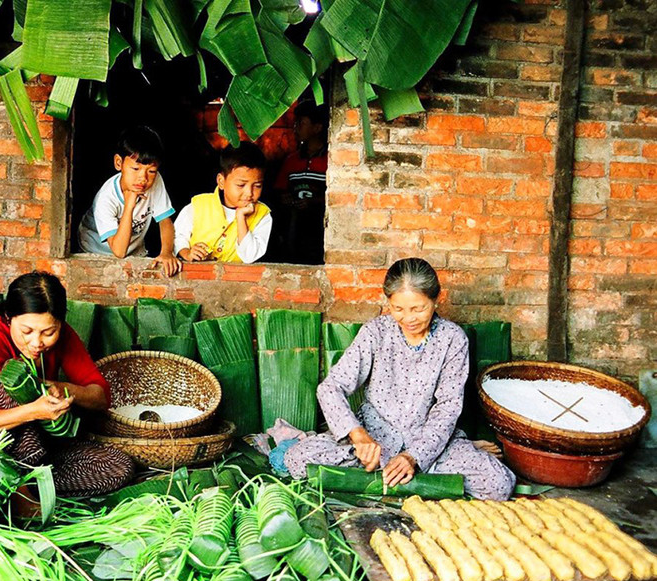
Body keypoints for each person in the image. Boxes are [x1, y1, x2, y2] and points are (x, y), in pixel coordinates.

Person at [284, 258, 516, 501]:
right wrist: (359, 436)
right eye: (398, 309)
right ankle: (418, 477)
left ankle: (432, 461)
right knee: (297, 460)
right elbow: (331, 387)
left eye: (419, 308)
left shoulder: (452, 339)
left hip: (428, 442)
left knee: (498, 484)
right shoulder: (376, 332)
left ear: (436, 300)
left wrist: (413, 456)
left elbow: (447, 408)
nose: (409, 318)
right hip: (376, 439)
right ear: (389, 303)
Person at [0, 271, 134, 497]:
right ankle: (16, 490)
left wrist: (59, 388)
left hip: (34, 446)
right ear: (10, 318)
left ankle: (21, 486)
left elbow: (100, 396)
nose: (37, 342)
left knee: (119, 466)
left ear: (60, 323)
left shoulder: (64, 336)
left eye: (49, 332)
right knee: (14, 382)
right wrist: (34, 411)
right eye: (26, 331)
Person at [78, 126, 181, 277]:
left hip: (134, 250)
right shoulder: (106, 198)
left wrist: (166, 252)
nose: (143, 178)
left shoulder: (156, 181)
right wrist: (129, 206)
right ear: (119, 163)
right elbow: (119, 251)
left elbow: (165, 221)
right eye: (135, 168)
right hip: (95, 251)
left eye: (151, 171)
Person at [173, 141, 273, 264]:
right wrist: (186, 253)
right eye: (241, 185)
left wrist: (241, 218)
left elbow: (249, 256)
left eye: (257, 186)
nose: (249, 193)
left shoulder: (263, 215)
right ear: (221, 181)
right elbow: (177, 236)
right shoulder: (198, 205)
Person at [273, 100, 328, 264]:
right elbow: (279, 190)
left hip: (320, 228)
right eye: (295, 123)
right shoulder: (291, 160)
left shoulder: (331, 159)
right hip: (294, 227)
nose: (295, 127)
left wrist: (314, 202)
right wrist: (286, 198)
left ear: (317, 128)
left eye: (301, 123)